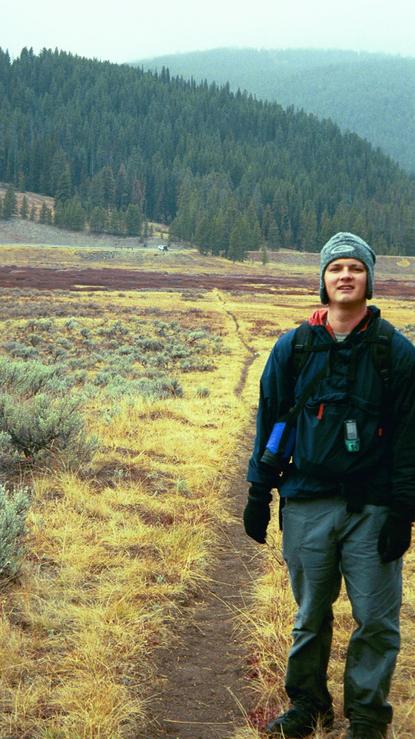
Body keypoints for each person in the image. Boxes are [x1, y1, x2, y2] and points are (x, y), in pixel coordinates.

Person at [243, 232, 415, 739]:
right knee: (310, 614)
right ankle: (309, 707)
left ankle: (366, 717)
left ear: (369, 279)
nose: (346, 276)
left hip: (374, 508)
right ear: (322, 279)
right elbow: (273, 423)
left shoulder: (396, 353)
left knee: (376, 620)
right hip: (306, 503)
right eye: (336, 267)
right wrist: (260, 489)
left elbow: (410, 438)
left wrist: (404, 509)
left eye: (355, 268)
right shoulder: (294, 347)